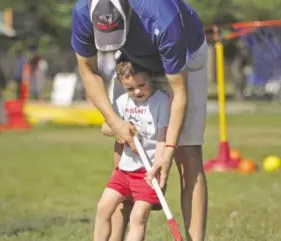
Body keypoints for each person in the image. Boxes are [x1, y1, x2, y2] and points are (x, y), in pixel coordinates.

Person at [71, 0, 208, 240]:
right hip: (132, 59)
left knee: (187, 154)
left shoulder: (163, 18)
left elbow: (179, 93)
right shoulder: (83, 12)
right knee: (121, 157)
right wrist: (116, 123)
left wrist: (166, 152)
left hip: (185, 56)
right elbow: (87, 71)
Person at [96, 59, 170, 241]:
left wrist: (158, 169)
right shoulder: (123, 102)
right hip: (124, 170)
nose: (137, 91)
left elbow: (163, 139)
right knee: (103, 208)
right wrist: (121, 126)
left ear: (150, 78)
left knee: (138, 218)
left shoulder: (162, 102)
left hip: (148, 173)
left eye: (141, 85)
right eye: (130, 88)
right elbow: (104, 128)